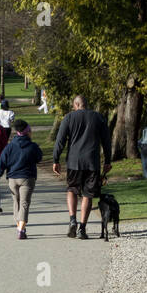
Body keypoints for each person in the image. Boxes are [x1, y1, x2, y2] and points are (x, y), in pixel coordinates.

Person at [52, 95, 112, 239]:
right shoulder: (98, 118)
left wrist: (56, 159)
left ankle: (73, 220)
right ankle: (82, 229)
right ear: (86, 104)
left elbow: (60, 140)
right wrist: (108, 160)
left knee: (72, 190)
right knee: (88, 194)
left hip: (74, 161)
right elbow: (106, 141)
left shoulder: (69, 118)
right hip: (92, 161)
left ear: (76, 105)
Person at [0, 120, 43, 239]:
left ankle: (20, 226)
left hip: (12, 178)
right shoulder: (32, 146)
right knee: (24, 203)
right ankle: (21, 229)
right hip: (27, 177)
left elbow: (2, 163)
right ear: (27, 132)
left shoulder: (9, 147)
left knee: (16, 202)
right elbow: (39, 158)